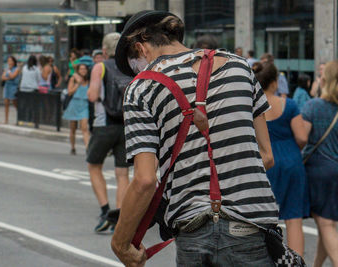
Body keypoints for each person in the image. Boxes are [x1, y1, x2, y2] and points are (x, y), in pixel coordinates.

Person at [111, 10, 278, 266]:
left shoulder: (141, 88)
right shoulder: (240, 67)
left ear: (140, 48)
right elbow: (266, 156)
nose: (136, 69)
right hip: (251, 226)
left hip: (193, 229)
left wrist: (121, 243)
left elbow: (145, 180)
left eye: (133, 62)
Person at [252, 62, 309, 256]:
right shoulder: (289, 105)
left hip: (264, 163)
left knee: (263, 219)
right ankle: (296, 261)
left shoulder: (252, 108)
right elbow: (302, 137)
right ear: (275, 83)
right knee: (294, 219)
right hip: (291, 161)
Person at [86, 32, 131, 233]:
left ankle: (105, 210)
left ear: (104, 50)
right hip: (127, 125)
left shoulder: (100, 67)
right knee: (123, 173)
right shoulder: (130, 67)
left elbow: (93, 95)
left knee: (94, 165)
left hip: (104, 124)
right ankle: (119, 215)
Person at [301, 60, 338, 267]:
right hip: (336, 169)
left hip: (318, 171)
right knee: (328, 222)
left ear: (325, 80)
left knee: (326, 224)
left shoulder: (313, 106)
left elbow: (302, 137)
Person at [62, 64, 90, 154]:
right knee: (73, 128)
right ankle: (73, 147)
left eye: (84, 69)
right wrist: (78, 83)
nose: (83, 71)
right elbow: (69, 92)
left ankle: (87, 149)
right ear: (78, 70)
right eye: (81, 69)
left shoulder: (89, 80)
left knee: (84, 128)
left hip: (85, 104)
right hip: (74, 104)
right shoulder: (73, 79)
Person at [1, 56, 20, 124]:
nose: (9, 62)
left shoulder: (16, 69)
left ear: (14, 62)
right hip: (7, 87)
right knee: (6, 103)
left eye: (11, 61)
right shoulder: (7, 68)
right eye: (8, 61)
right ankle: (6, 119)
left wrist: (8, 75)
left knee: (15, 103)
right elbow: (2, 78)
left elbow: (12, 76)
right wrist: (8, 77)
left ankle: (19, 117)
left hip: (13, 87)